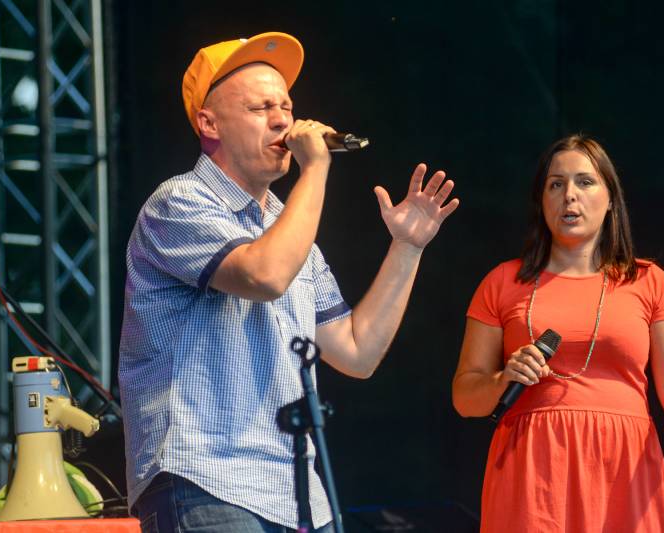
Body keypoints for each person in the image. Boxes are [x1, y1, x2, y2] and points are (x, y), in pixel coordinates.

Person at [118, 32, 459, 533]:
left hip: (296, 494)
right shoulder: (177, 202)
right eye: (261, 108)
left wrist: (407, 248)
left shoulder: (289, 232)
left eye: (286, 106)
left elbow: (357, 352)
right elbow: (264, 275)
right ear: (209, 123)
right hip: (206, 480)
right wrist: (315, 168)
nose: (283, 121)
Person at [452, 134, 664, 532]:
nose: (569, 195)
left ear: (611, 198)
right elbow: (465, 397)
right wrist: (502, 380)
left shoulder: (649, 281)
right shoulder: (502, 282)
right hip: (533, 470)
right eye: (556, 184)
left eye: (585, 181)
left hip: (622, 467)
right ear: (541, 201)